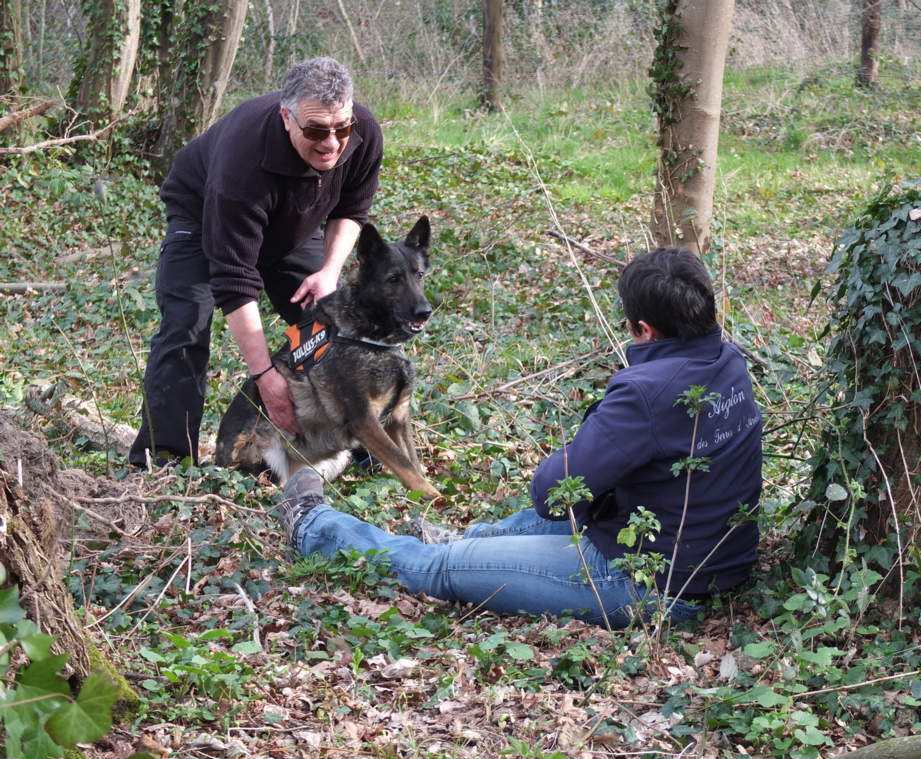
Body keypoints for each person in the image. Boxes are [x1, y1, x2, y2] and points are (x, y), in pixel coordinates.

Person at [277, 247, 763, 628]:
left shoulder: (646, 394)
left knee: (439, 568)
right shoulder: (730, 361)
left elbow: (553, 494)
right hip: (709, 560)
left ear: (642, 328)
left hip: (646, 582)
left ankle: (314, 527)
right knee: (496, 537)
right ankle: (470, 542)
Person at [129, 57, 384, 467]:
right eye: (316, 130)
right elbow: (235, 280)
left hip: (288, 228)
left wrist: (329, 272)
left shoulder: (364, 132)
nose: (332, 143)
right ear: (287, 117)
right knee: (186, 323)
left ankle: (351, 438)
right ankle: (164, 458)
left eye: (342, 128)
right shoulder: (242, 162)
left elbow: (352, 211)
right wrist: (267, 377)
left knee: (333, 321)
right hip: (201, 218)